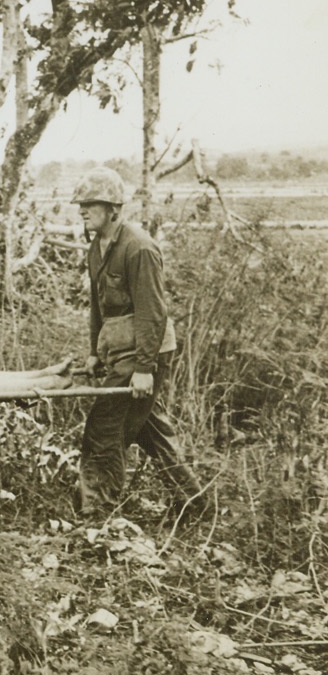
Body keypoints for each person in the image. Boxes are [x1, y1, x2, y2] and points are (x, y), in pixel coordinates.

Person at [71, 166, 203, 519]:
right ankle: (196, 503)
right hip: (119, 352)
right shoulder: (97, 248)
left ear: (114, 207)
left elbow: (152, 312)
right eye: (80, 204)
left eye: (91, 204)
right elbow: (98, 308)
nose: (82, 210)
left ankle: (97, 513)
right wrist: (94, 354)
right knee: (149, 430)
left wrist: (144, 369)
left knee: (104, 426)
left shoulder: (139, 248)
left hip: (146, 352)